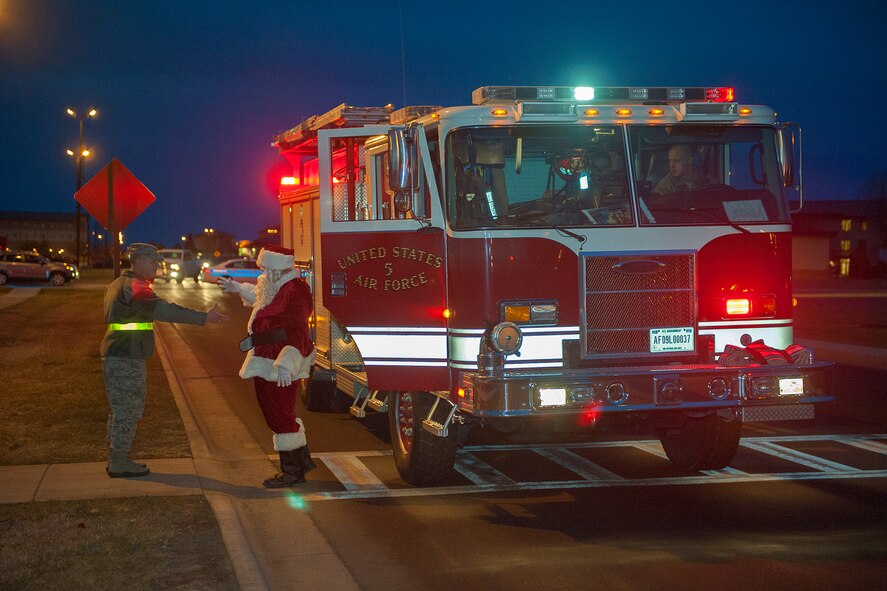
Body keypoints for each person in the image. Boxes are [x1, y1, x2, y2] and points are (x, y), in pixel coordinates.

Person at [102, 243, 229, 478]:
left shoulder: (117, 284)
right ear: (138, 261)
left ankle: (116, 458)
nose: (157, 266)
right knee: (128, 409)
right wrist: (204, 317)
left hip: (118, 352)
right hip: (126, 355)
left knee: (120, 408)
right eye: (153, 262)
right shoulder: (136, 286)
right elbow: (163, 310)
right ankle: (119, 462)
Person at [219, 245, 317, 488]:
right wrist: (238, 288)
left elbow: (299, 330)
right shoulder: (277, 285)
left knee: (279, 414)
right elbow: (265, 301)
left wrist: (286, 363)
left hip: (278, 362)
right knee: (277, 413)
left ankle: (292, 472)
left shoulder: (296, 290)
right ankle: (302, 463)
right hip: (266, 358)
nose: (263, 272)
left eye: (266, 268)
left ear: (279, 268)